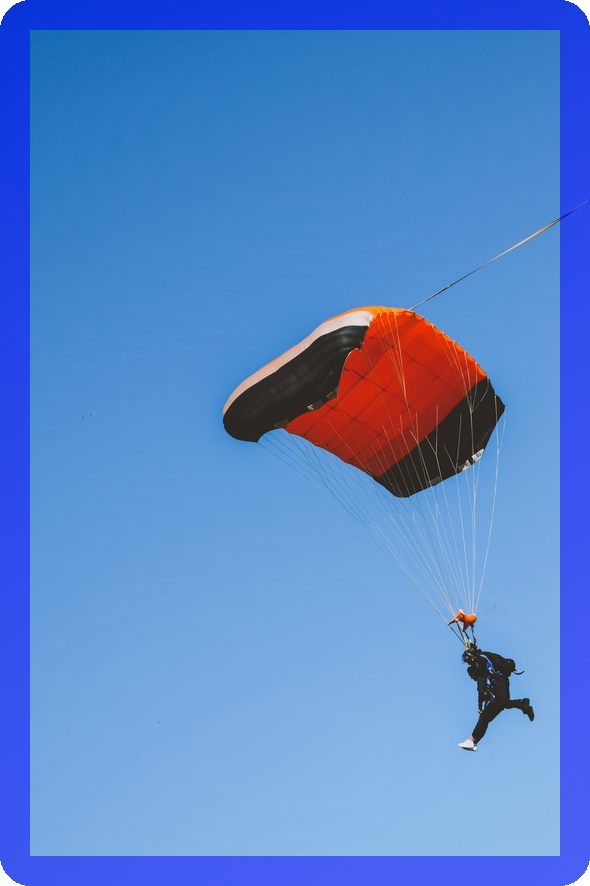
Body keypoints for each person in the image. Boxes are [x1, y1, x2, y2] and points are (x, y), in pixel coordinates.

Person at [458, 647, 534, 751]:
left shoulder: (480, 664)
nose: (471, 677)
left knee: (486, 716)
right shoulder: (483, 658)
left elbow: (481, 688)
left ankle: (471, 740)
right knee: (497, 709)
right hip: (503, 682)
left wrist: (480, 707)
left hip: (498, 684)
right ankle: (474, 743)